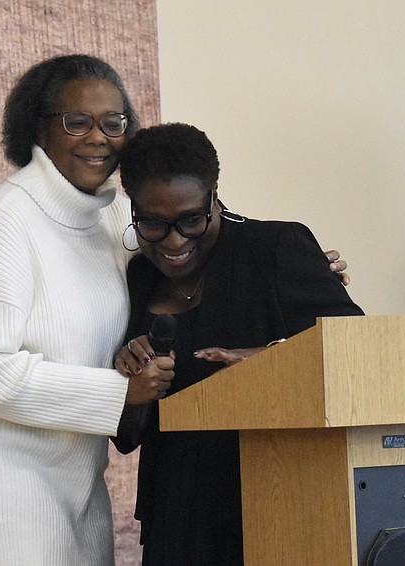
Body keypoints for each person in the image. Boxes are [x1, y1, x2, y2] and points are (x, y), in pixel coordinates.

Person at [0, 54, 175, 566]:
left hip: (72, 489)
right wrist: (119, 392)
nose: (99, 138)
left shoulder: (113, 216)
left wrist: (283, 262)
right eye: (77, 122)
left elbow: (185, 248)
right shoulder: (7, 216)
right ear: (38, 129)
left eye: (114, 123)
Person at [112, 123, 364, 566]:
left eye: (192, 219)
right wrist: (130, 383)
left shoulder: (275, 248)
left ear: (214, 195)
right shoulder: (137, 277)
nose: (174, 241)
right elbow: (127, 438)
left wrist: (272, 358)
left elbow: (358, 353)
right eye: (153, 223)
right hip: (176, 515)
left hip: (277, 505)